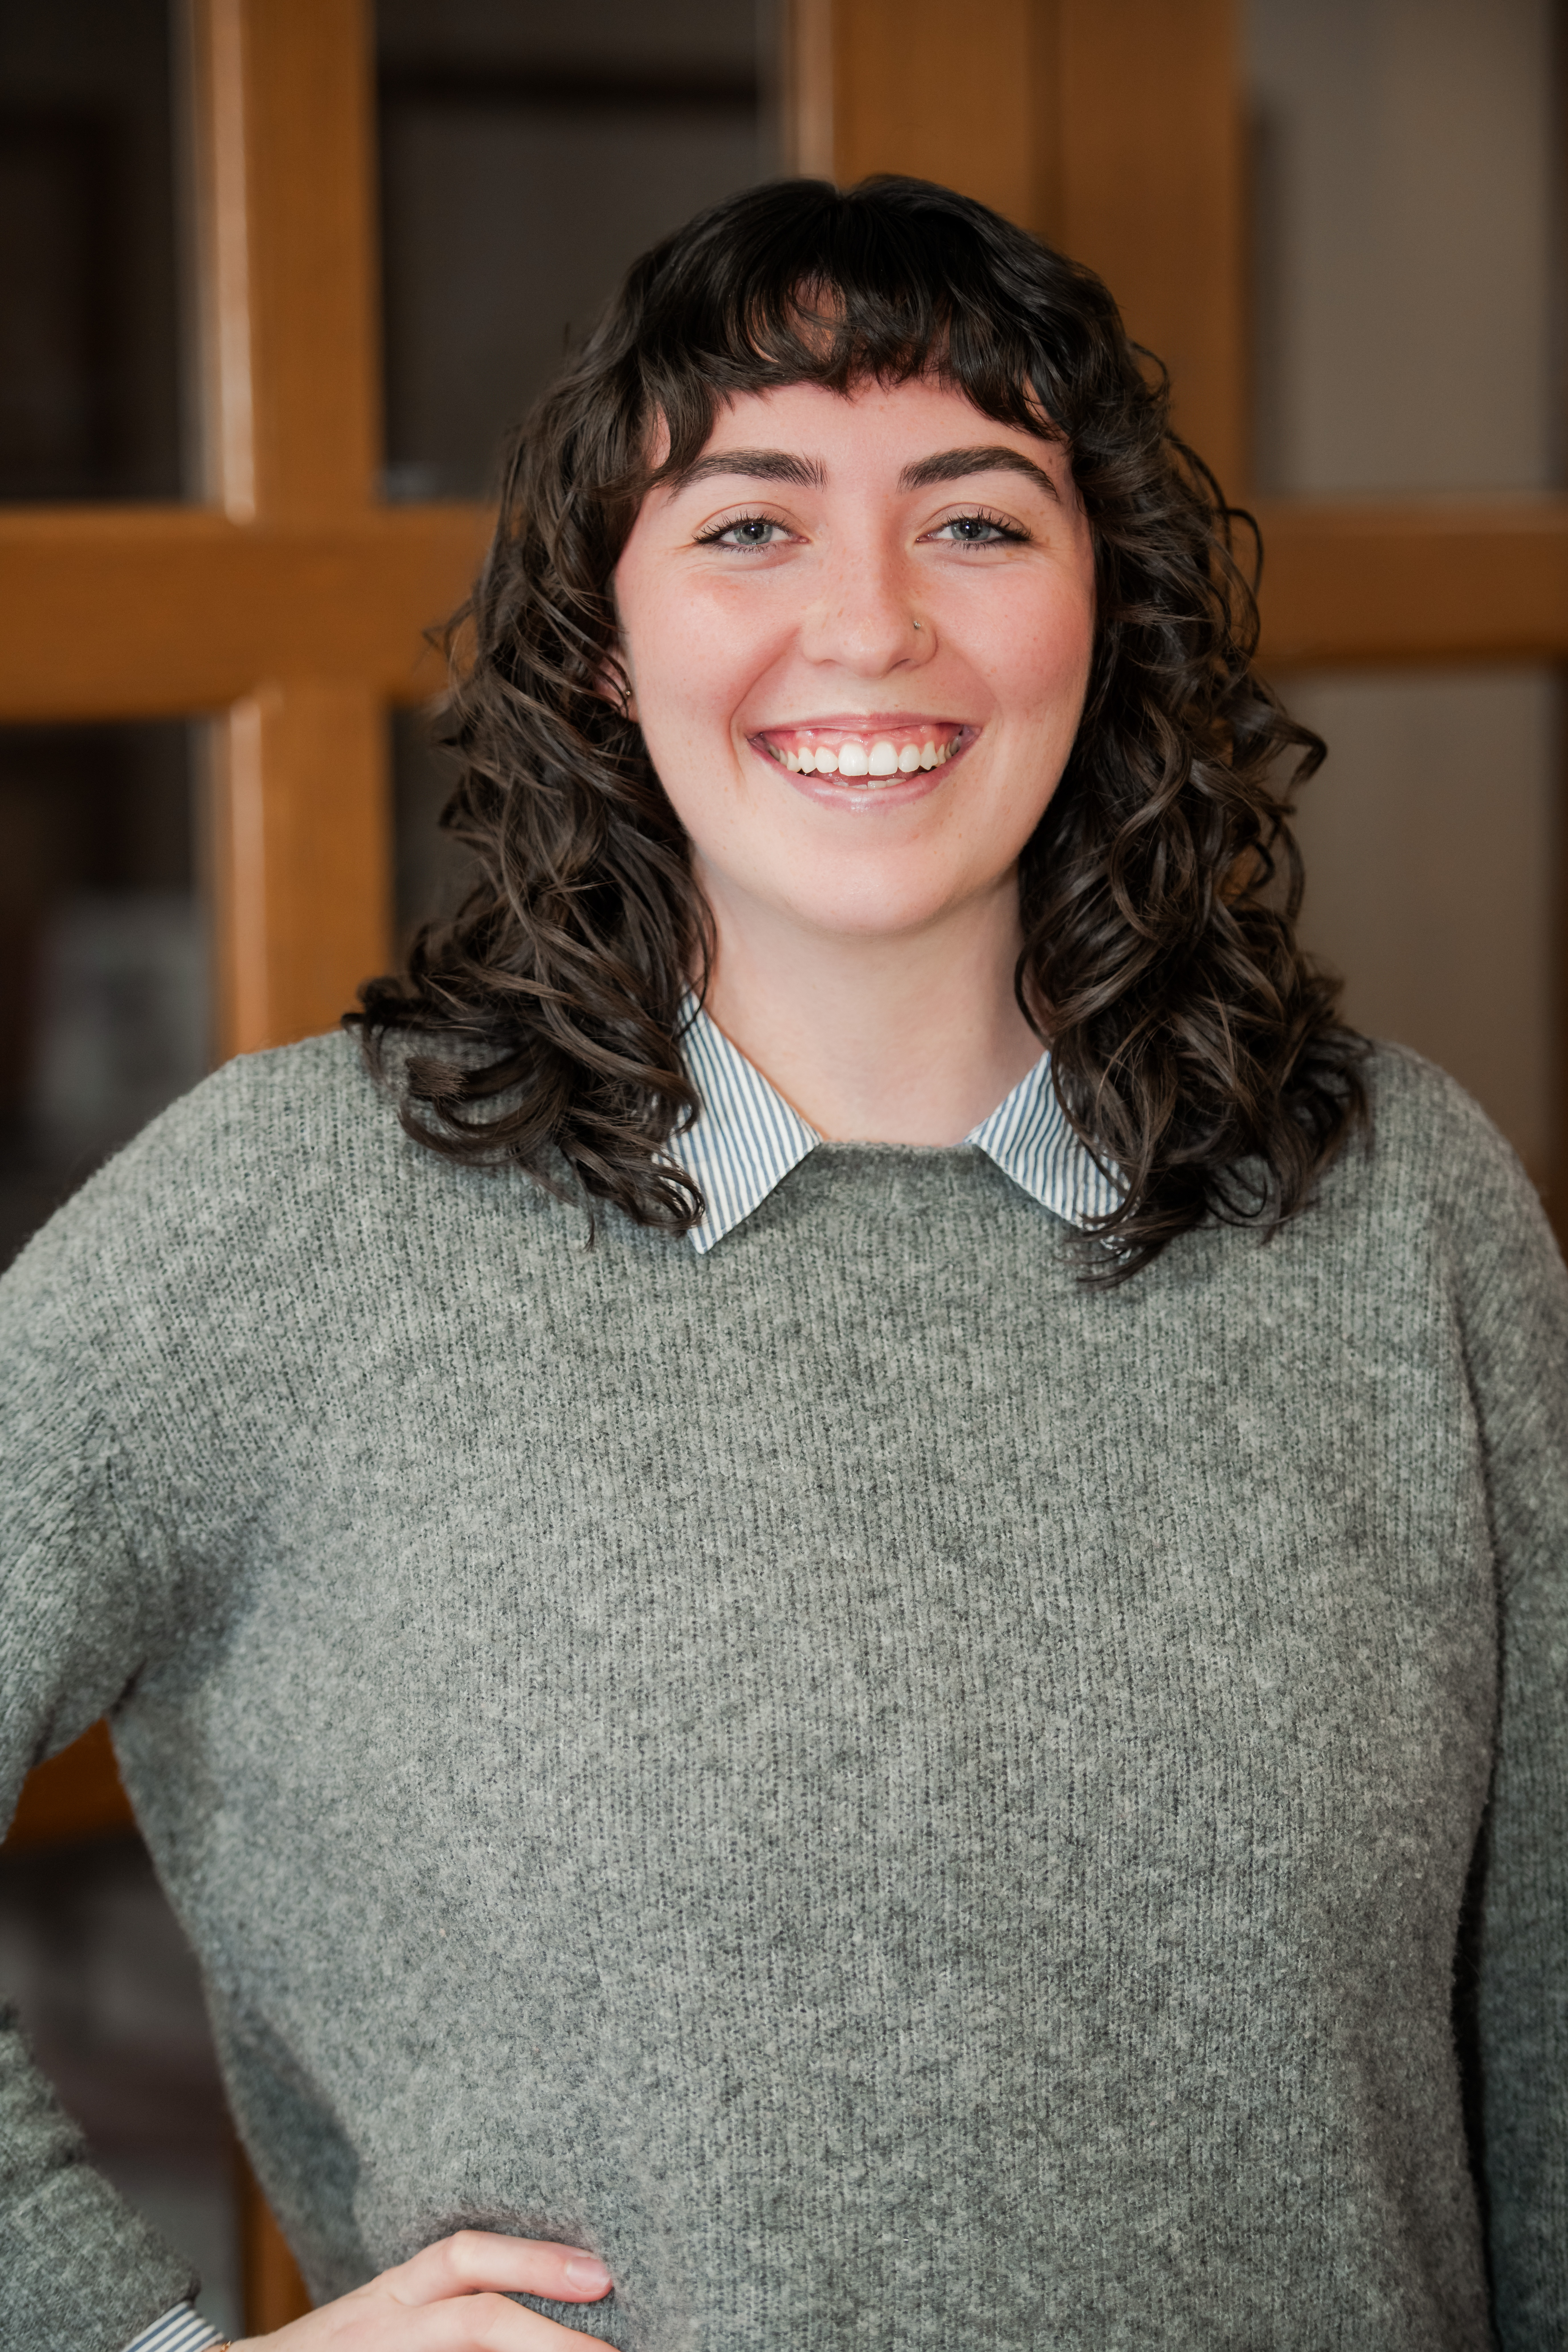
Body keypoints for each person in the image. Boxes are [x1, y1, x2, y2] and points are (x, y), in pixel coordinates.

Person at [1, 173, 1563, 2352]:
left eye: (980, 518)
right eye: (751, 523)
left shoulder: (1402, 1208)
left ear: (1105, 607)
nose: (870, 624)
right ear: (602, 629)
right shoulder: (293, 1226)